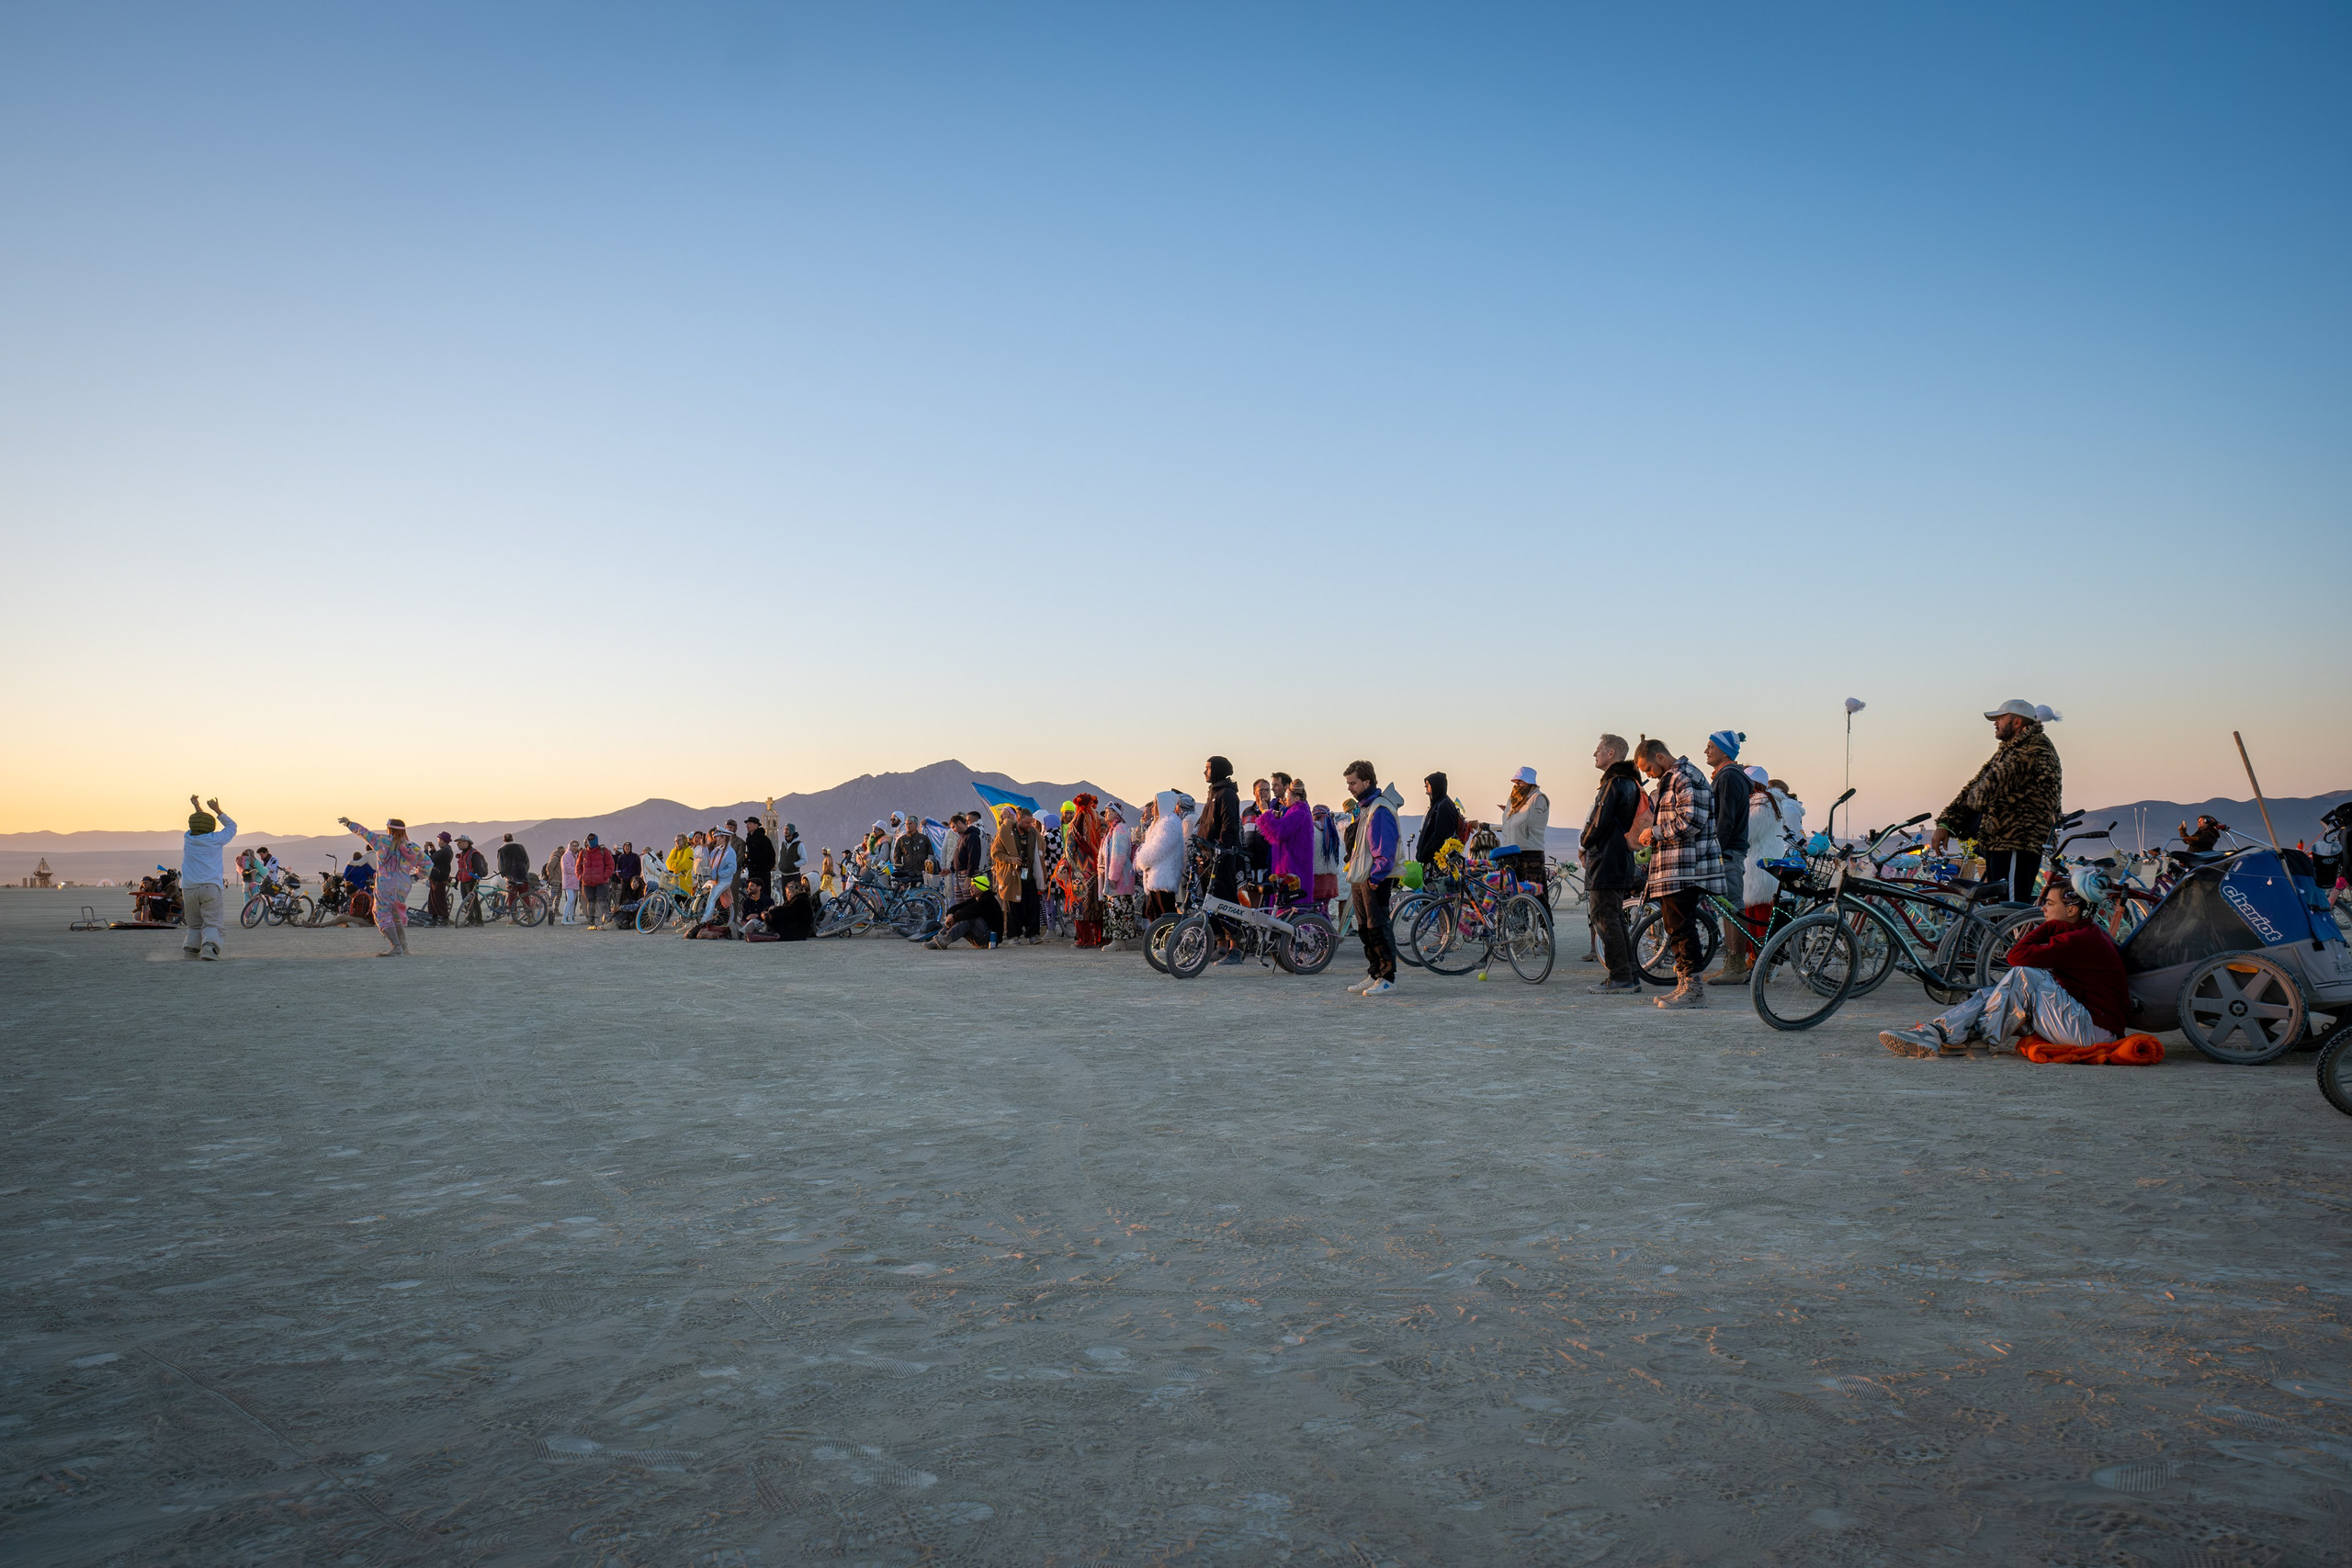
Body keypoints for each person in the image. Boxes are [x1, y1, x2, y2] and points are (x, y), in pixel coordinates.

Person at [1880, 880, 2128, 1056]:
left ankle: (1972, 1035)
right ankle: (1937, 1032)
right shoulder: (2086, 932)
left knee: (2024, 974)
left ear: (2072, 910)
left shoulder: (2077, 939)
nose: (2043, 909)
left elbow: (2016, 956)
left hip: (2092, 1030)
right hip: (2088, 1026)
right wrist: (2054, 922)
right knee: (1992, 993)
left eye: (2049, 904)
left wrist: (2049, 926)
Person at [1930, 698, 2064, 903]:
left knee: (2008, 908)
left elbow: (1982, 794)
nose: (1996, 723)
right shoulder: (2012, 749)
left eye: (2000, 718)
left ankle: (2013, 936)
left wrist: (1960, 811)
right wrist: (1946, 822)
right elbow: (1975, 786)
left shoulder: (2032, 750)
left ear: (2017, 722)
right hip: (2002, 840)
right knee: (1998, 908)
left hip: (2017, 840)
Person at [1636, 739, 1723, 1009]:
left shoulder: (1683, 777)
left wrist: (1655, 832)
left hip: (1685, 868)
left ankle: (1693, 991)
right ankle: (1685, 985)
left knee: (1682, 928)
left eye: (1648, 767)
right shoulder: (1676, 777)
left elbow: (1692, 820)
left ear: (1660, 758)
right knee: (1676, 927)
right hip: (1675, 868)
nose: (1648, 775)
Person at [1580, 736, 1645, 993]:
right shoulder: (1631, 782)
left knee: (1604, 917)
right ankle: (1629, 974)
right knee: (1615, 917)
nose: (1594, 754)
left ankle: (1621, 978)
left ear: (1611, 753)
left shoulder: (1615, 782)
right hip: (1620, 858)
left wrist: (1584, 844)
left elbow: (1599, 820)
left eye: (1598, 750)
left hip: (1606, 859)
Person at [1340, 761, 1403, 995]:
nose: (1350, 788)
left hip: (1373, 877)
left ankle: (1388, 978)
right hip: (1361, 875)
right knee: (1365, 928)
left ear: (1367, 781)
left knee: (1378, 927)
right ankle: (1375, 973)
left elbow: (1384, 847)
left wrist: (1376, 877)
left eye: (1353, 783)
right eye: (1348, 783)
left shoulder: (1380, 808)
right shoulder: (1366, 807)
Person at [1702, 731, 1755, 983]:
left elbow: (1726, 819)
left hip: (1727, 852)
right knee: (1727, 907)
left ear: (1725, 751)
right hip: (1728, 850)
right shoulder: (1728, 776)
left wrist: (1715, 852)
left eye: (1711, 746)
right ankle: (1732, 964)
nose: (1706, 751)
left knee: (1732, 907)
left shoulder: (1730, 776)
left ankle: (1736, 967)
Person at [338, 815, 429, 956]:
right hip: (404, 885)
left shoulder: (382, 841)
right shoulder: (412, 847)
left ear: (389, 829)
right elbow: (428, 865)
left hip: (386, 884)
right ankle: (403, 947)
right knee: (395, 915)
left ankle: (396, 947)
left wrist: (349, 824)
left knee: (382, 914)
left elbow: (364, 832)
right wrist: (417, 876)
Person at [177, 795, 237, 960]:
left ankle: (190, 949)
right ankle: (210, 948)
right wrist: (217, 810)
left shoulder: (188, 838)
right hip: (211, 887)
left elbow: (199, 824)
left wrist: (197, 807)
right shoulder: (216, 839)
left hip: (188, 887)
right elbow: (232, 827)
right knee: (212, 921)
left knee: (194, 923)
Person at [1487, 767, 1549, 895]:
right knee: (1514, 895)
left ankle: (1542, 915)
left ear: (1530, 782)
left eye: (1521, 781)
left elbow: (1533, 821)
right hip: (1511, 852)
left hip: (1530, 852)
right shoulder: (1512, 800)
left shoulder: (1538, 798)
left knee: (1537, 895)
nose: (1517, 784)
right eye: (1516, 781)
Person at [1256, 783, 1312, 909]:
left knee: (1289, 908)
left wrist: (1265, 811)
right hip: (1292, 865)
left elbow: (1279, 833)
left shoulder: (1298, 813)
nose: (1285, 799)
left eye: (1288, 795)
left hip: (1292, 868)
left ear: (1296, 798)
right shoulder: (1298, 812)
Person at [1137, 792, 1188, 921]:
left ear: (1163, 804)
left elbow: (1158, 849)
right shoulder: (1157, 824)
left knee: (1165, 914)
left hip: (1164, 877)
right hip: (1156, 876)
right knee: (1154, 914)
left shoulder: (1169, 823)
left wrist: (1142, 860)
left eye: (1155, 804)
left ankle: (1170, 940)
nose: (1153, 807)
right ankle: (1160, 939)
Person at [929, 873, 1006, 949]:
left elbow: (969, 912)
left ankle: (947, 939)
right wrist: (950, 914)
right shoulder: (976, 898)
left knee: (968, 917)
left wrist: (954, 917)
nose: (970, 888)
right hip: (981, 936)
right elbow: (958, 907)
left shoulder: (988, 900)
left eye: (973, 886)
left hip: (989, 940)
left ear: (981, 888)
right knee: (959, 914)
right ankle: (939, 939)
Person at [1417, 773, 1463, 873]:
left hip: (1439, 866)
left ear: (1436, 785)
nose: (1425, 787)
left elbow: (1441, 835)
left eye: (1428, 784)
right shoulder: (1439, 805)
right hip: (1435, 863)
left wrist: (1425, 851)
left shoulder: (1444, 805)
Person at [576, 834, 616, 927]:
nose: (591, 842)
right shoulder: (583, 853)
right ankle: (591, 922)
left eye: (592, 840)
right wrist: (581, 877)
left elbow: (610, 865)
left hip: (601, 882)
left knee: (602, 900)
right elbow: (578, 867)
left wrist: (605, 876)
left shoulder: (604, 851)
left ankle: (607, 921)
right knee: (591, 901)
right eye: (589, 840)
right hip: (588, 882)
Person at [452, 836, 488, 924]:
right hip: (463, 880)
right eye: (457, 843)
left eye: (460, 842)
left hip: (471, 880)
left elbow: (478, 867)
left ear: (466, 842)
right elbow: (461, 868)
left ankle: (479, 920)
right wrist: (457, 880)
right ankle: (470, 919)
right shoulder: (462, 854)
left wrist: (476, 880)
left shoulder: (474, 854)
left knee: (473, 901)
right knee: (465, 900)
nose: (458, 844)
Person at [495, 832, 531, 919]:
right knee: (525, 896)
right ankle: (529, 917)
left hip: (511, 878)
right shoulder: (520, 847)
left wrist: (504, 875)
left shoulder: (501, 849)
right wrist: (525, 871)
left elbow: (501, 865)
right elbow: (527, 861)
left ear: (503, 839)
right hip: (523, 876)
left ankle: (513, 919)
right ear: (512, 838)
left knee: (512, 897)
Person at [892, 818, 932, 889]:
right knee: (906, 896)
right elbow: (896, 856)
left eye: (910, 823)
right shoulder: (901, 840)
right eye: (906, 824)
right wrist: (900, 870)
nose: (908, 826)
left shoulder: (924, 839)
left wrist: (928, 870)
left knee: (921, 895)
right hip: (907, 872)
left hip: (921, 872)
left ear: (916, 825)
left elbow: (930, 855)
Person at [425, 832, 454, 926]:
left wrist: (426, 850)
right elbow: (435, 859)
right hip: (438, 878)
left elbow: (429, 860)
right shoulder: (446, 851)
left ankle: (442, 918)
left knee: (438, 899)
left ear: (442, 840)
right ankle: (437, 918)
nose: (438, 842)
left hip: (439, 878)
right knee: (434, 899)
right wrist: (433, 850)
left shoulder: (445, 852)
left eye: (439, 840)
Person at [745, 818, 775, 896]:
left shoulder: (763, 839)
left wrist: (766, 868)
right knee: (752, 892)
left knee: (763, 893)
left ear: (756, 825)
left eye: (750, 823)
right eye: (747, 824)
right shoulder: (749, 838)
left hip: (762, 872)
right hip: (752, 871)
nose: (747, 825)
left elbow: (771, 854)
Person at [559, 840, 582, 924]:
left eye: (576, 846)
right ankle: (564, 919)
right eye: (573, 845)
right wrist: (577, 871)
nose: (574, 847)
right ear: (569, 846)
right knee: (570, 900)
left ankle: (571, 918)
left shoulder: (575, 855)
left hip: (575, 881)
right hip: (569, 881)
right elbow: (566, 868)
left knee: (573, 901)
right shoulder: (566, 856)